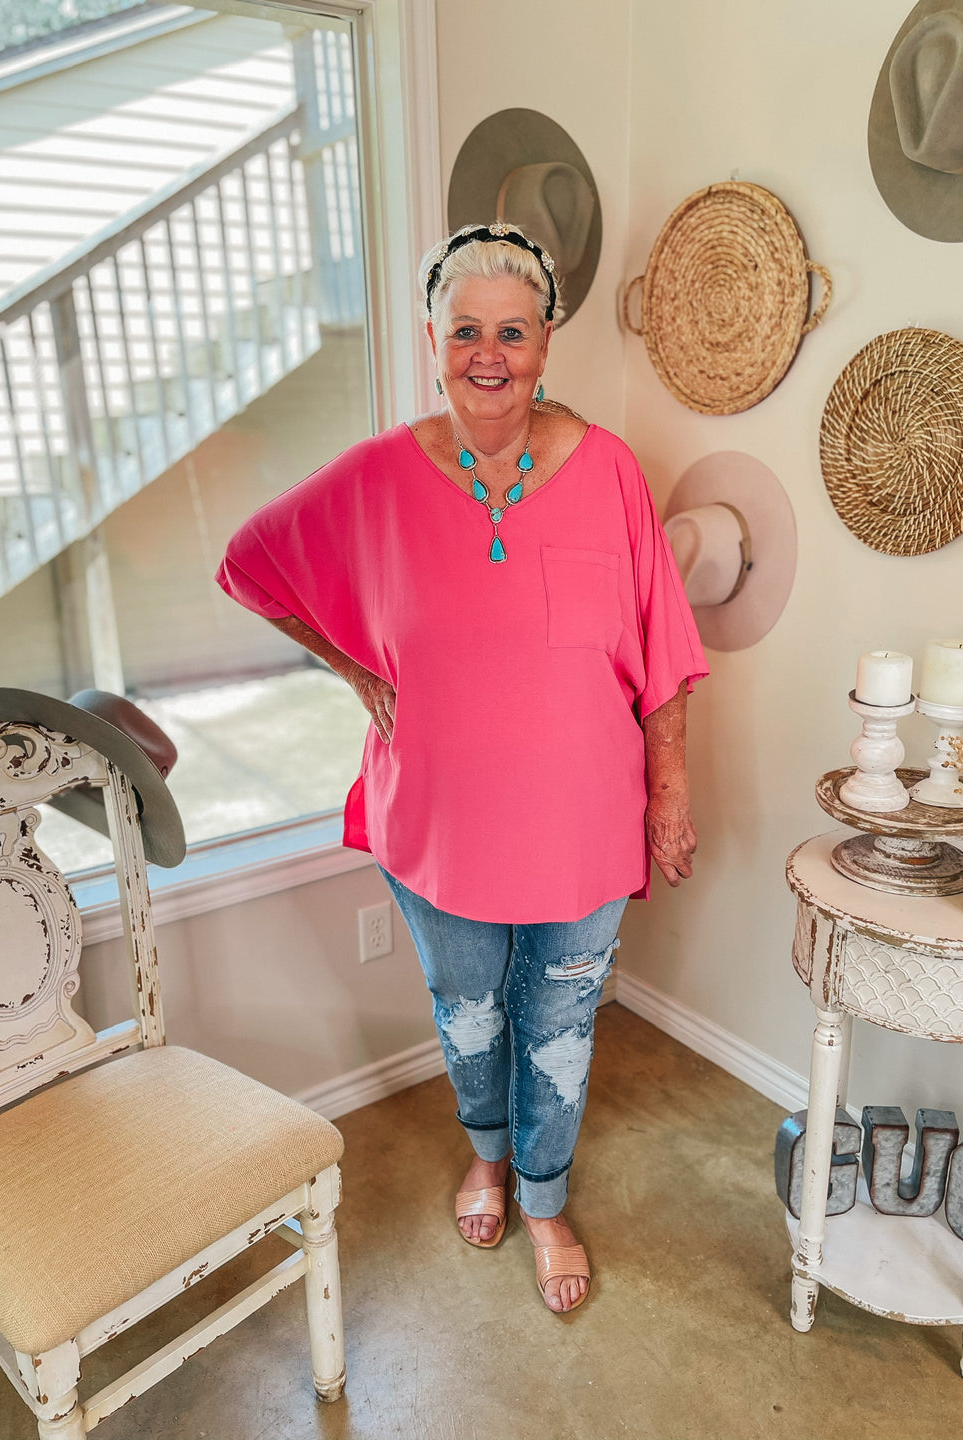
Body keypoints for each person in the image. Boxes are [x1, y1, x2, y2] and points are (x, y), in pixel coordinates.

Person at [216, 224, 707, 1314]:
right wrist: (354, 670)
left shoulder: (611, 471)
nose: (491, 355)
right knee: (472, 1012)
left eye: (514, 333)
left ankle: (542, 1196)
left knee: (564, 1027)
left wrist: (670, 793)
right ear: (434, 339)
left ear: (545, 342)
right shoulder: (382, 474)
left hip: (585, 822)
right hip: (437, 823)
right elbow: (248, 562)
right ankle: (486, 1153)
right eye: (467, 331)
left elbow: (664, 652)